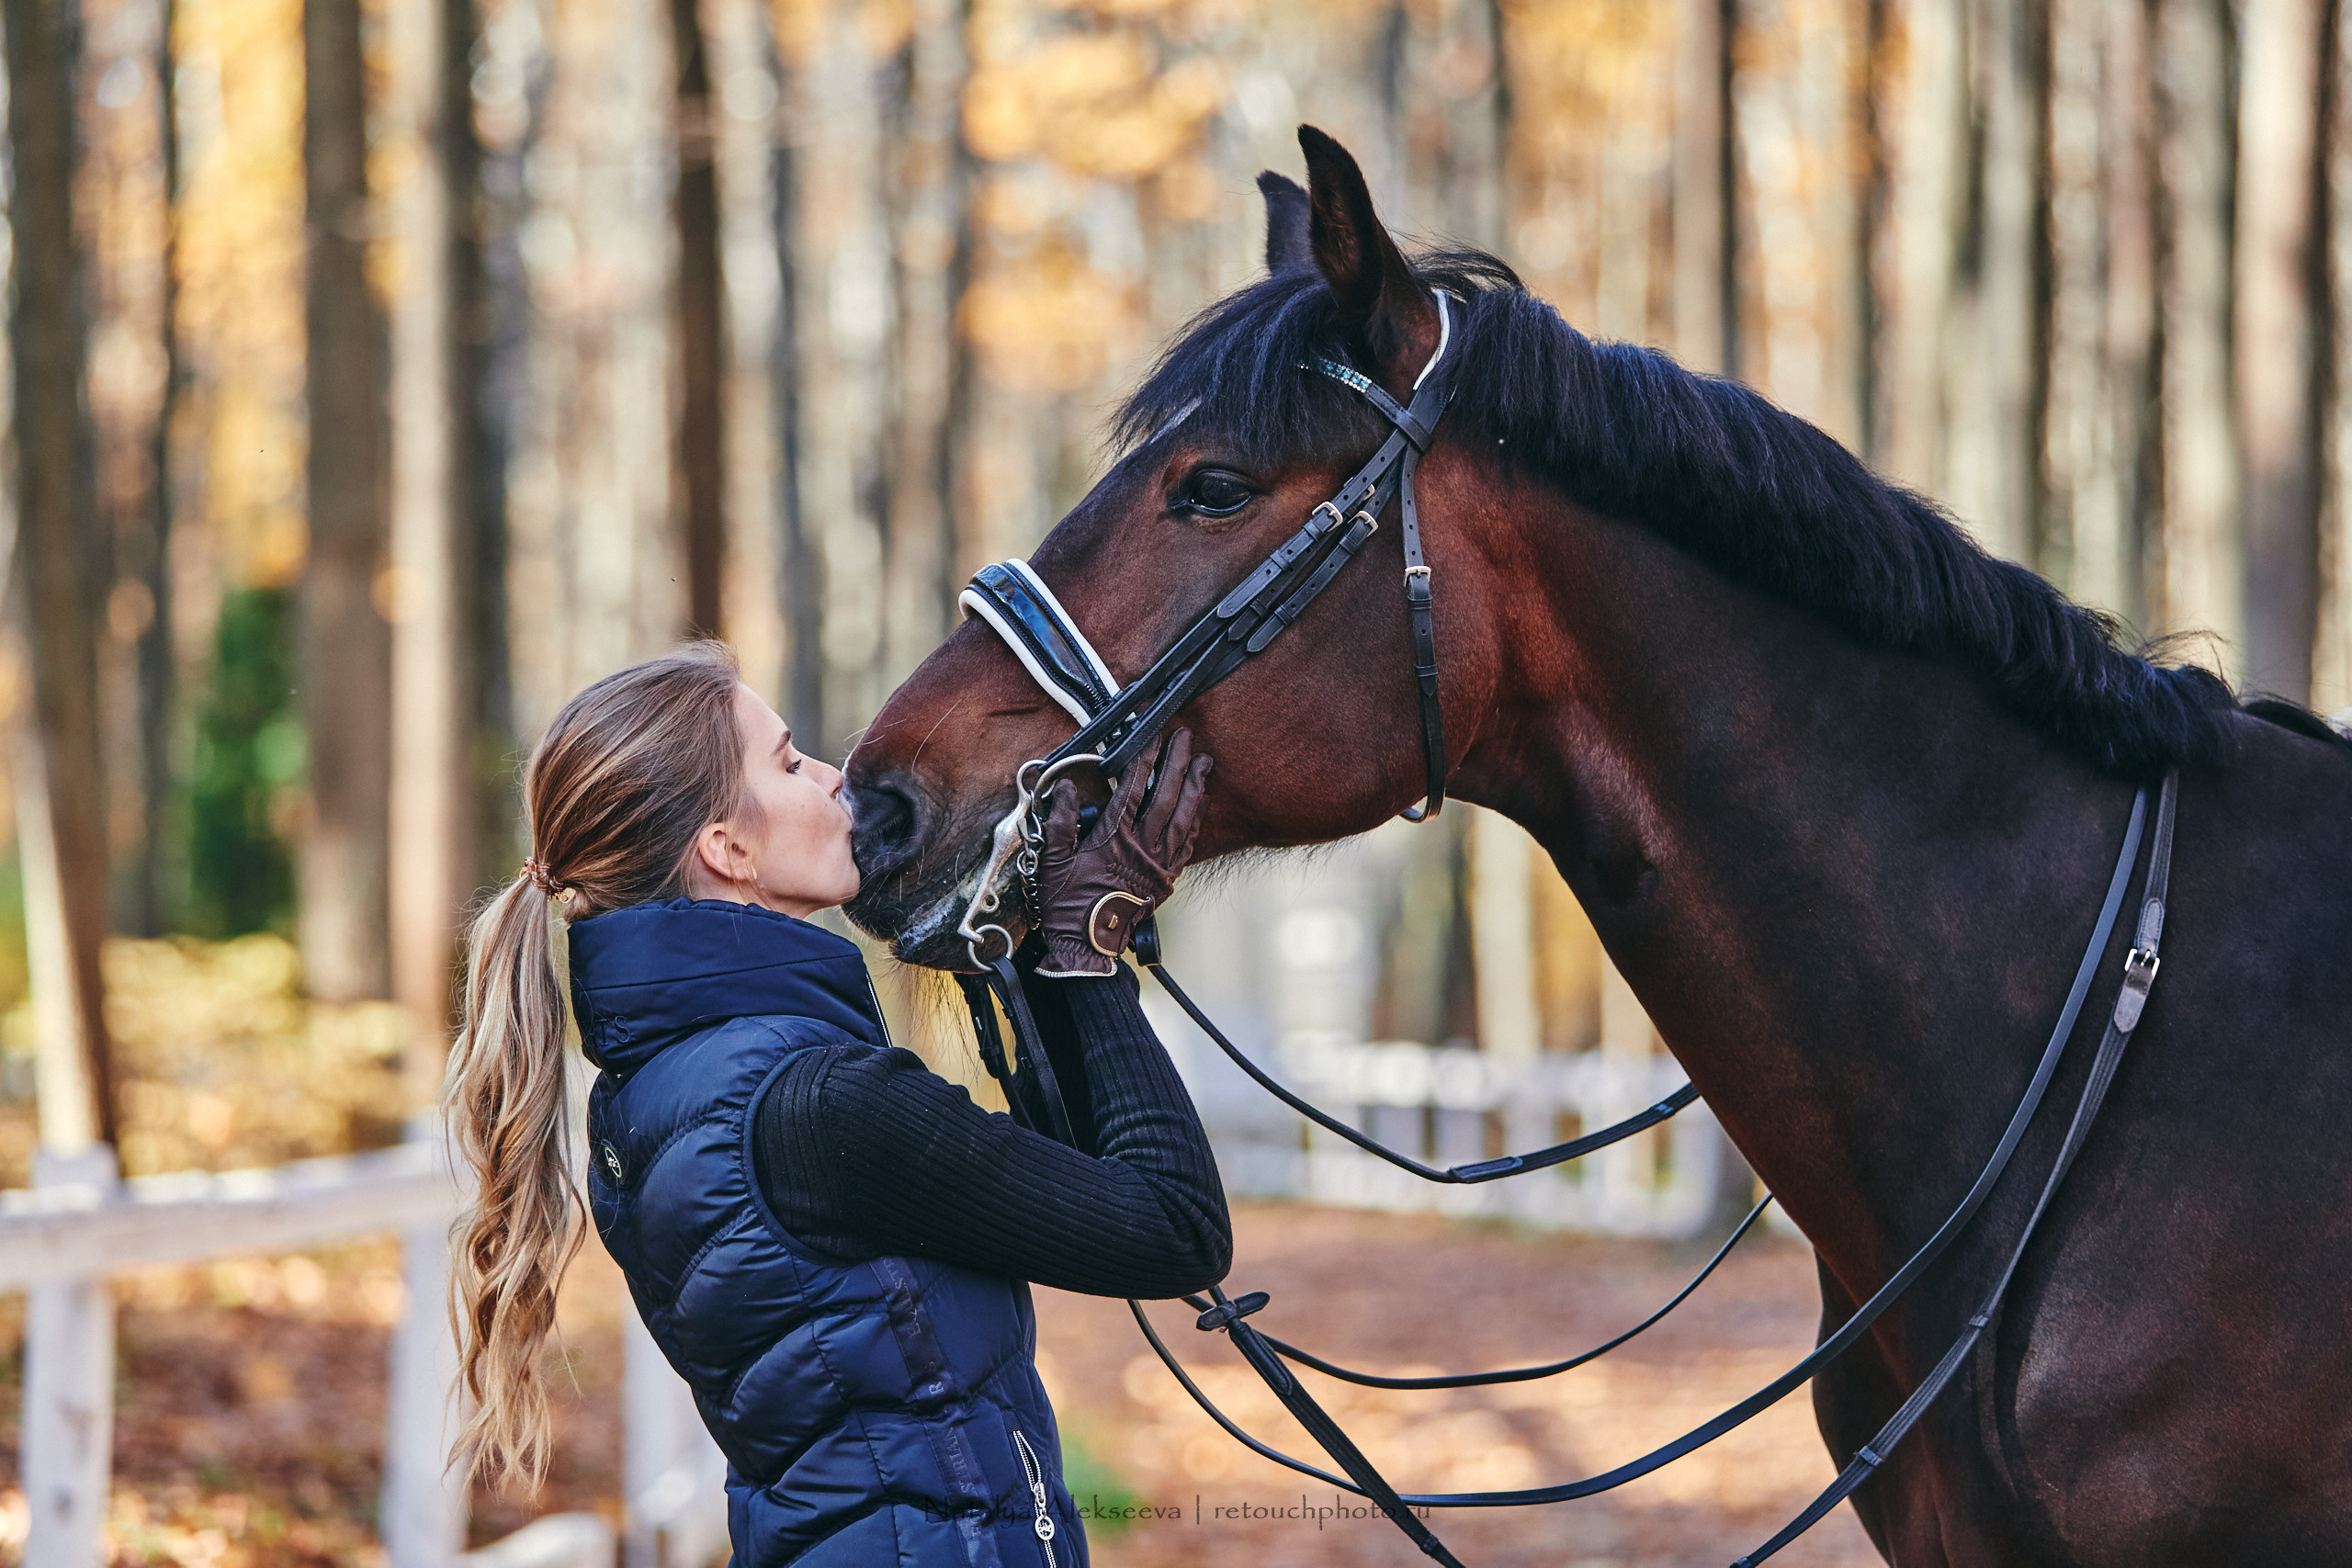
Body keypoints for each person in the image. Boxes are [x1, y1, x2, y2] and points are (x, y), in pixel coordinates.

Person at [443, 641, 1228, 1567]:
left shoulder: (653, 1097)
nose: (830, 777)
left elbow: (1063, 1185)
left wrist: (1036, 929)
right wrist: (1092, 941)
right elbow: (1173, 1227)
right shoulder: (817, 1107)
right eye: (786, 763)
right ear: (727, 849)